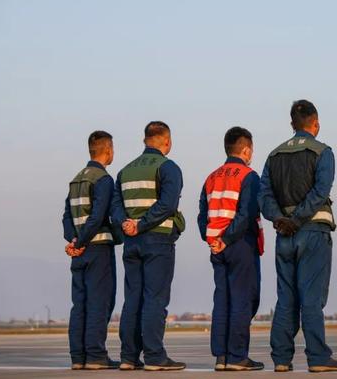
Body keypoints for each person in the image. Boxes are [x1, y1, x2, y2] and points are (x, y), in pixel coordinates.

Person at [259, 100, 337, 373]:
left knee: (286, 298)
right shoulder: (323, 152)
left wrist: (280, 219)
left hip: (284, 236)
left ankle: (282, 359)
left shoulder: (273, 155)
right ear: (316, 123)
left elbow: (263, 195)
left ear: (292, 124)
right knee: (311, 298)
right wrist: (297, 220)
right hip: (312, 232)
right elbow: (321, 191)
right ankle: (318, 358)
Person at [111, 121, 186, 371]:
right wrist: (142, 225)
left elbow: (116, 207)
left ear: (145, 140)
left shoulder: (124, 171)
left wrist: (127, 225)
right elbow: (167, 204)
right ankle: (154, 356)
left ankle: (128, 357)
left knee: (132, 299)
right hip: (158, 239)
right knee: (155, 299)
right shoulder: (168, 167)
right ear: (166, 141)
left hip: (131, 243)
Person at [198, 127, 265, 372]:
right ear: (246, 150)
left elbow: (202, 215)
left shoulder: (211, 177)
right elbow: (247, 214)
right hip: (240, 245)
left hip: (217, 247)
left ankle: (222, 356)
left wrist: (213, 240)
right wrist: (227, 239)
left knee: (222, 300)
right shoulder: (248, 175)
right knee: (243, 299)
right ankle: (238, 356)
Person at [62, 130, 120, 370]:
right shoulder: (103, 179)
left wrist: (74, 241)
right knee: (100, 302)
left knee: (80, 304)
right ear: (107, 150)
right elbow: (97, 217)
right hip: (97, 249)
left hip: (80, 252)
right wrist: (84, 240)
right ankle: (96, 355)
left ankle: (78, 356)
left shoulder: (76, 179)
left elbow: (66, 216)